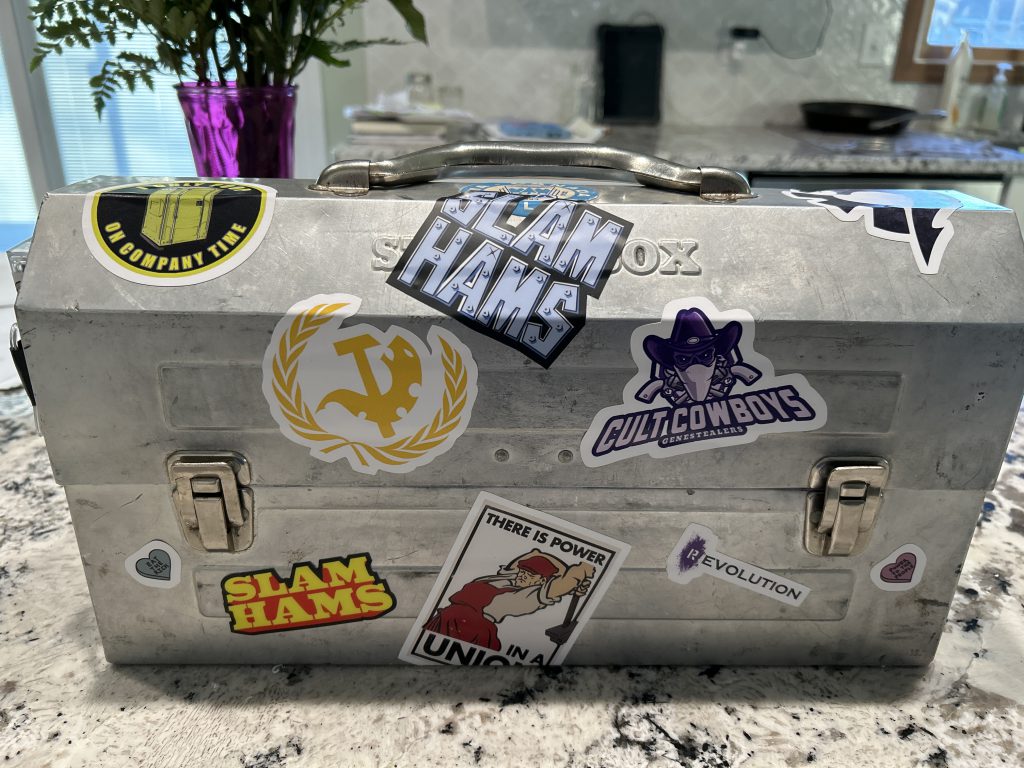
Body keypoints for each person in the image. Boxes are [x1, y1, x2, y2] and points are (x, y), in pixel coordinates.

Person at [424, 549, 595, 651]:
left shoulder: (525, 598)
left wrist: (581, 571)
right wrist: (568, 575)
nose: (523, 575)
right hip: (444, 619)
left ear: (542, 581)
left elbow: (562, 584)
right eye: (523, 571)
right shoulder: (507, 577)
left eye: (530, 574)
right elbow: (535, 553)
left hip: (471, 631)